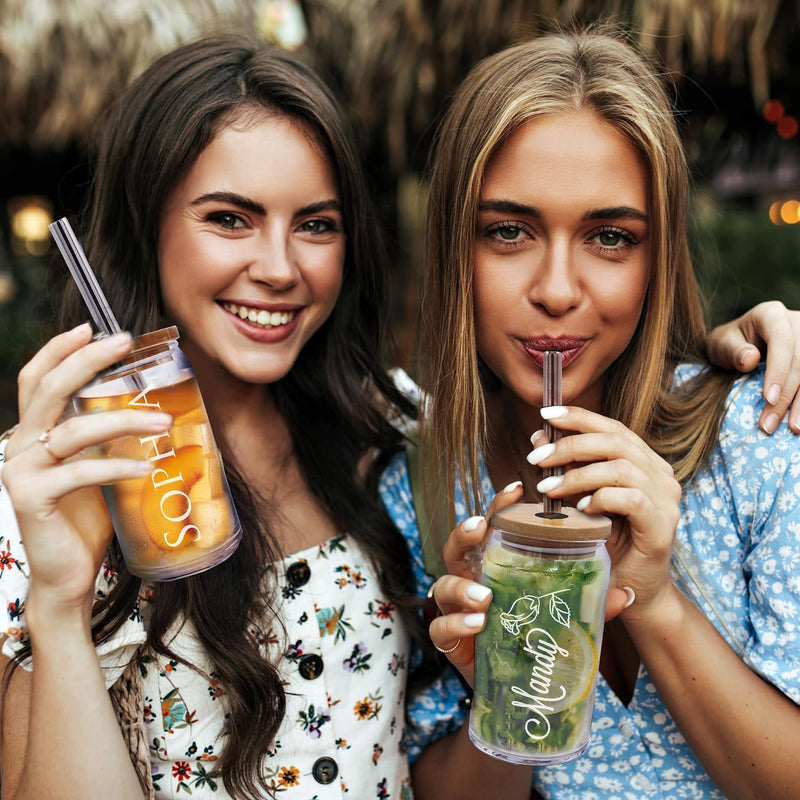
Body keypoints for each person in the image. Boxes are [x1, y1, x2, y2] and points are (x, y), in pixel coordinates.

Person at [0, 29, 795, 800]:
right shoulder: (46, 501)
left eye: (315, 224)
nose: (278, 268)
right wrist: (61, 603)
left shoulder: (382, 436)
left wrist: (746, 343)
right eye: (229, 218)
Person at [379, 26, 800, 800]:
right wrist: (503, 689)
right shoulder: (422, 481)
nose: (558, 289)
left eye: (610, 237)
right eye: (508, 231)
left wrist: (655, 598)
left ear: (656, 256)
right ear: (453, 249)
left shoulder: (762, 435)